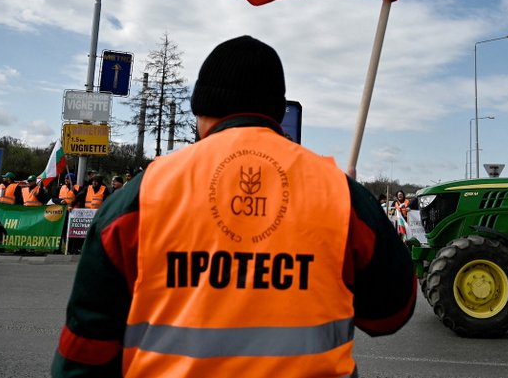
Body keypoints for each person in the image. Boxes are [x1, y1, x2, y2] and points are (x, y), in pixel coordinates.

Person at [52, 35, 416, 377]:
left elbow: (84, 354)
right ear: (277, 112)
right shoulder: (339, 193)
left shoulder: (142, 195)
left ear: (202, 111)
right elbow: (391, 314)